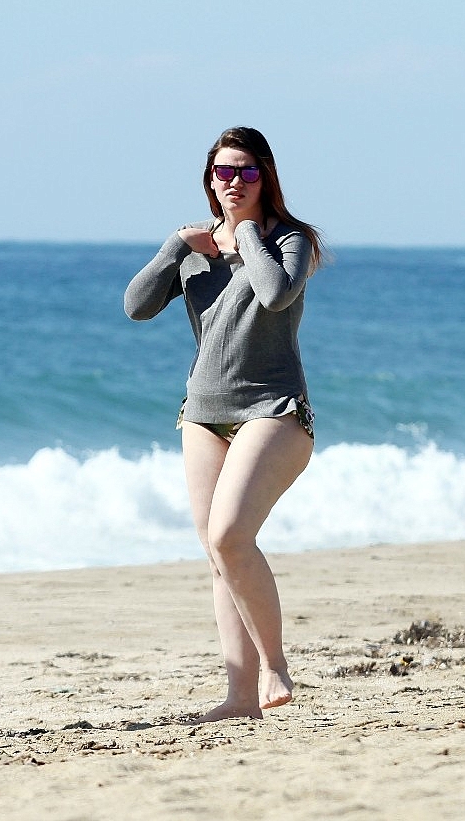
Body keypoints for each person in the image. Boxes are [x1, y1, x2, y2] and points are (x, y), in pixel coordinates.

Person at [124, 126, 324, 722]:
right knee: (219, 555)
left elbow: (274, 294)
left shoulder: (290, 240)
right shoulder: (195, 249)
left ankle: (275, 666)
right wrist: (173, 249)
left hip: (274, 409)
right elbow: (136, 307)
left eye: (247, 171)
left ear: (266, 177)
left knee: (231, 536)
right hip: (203, 414)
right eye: (224, 172)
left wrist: (246, 235)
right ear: (210, 180)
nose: (234, 181)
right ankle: (240, 698)